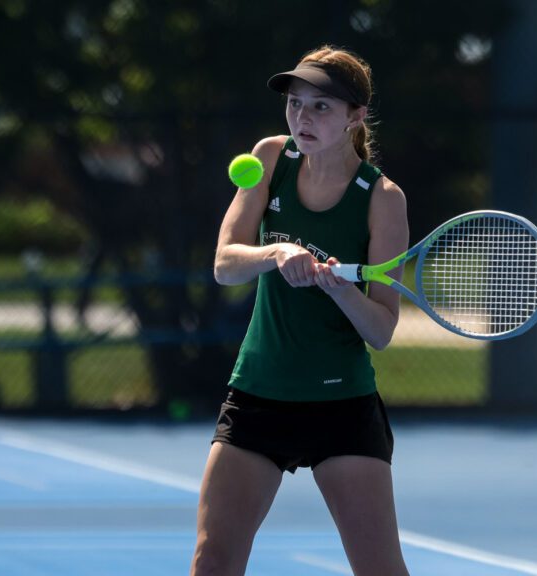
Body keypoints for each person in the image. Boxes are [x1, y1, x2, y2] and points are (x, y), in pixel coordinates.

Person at [191, 45, 410, 576]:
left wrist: (341, 290)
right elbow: (225, 264)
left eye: (321, 107)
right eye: (295, 103)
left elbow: (381, 329)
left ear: (355, 116)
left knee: (380, 569)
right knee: (212, 561)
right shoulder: (271, 158)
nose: (302, 117)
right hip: (259, 393)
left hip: (342, 405)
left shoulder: (383, 198)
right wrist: (276, 253)